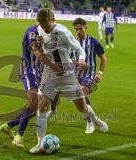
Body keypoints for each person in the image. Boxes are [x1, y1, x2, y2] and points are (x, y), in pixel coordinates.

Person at [29, 8, 104, 154]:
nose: (44, 28)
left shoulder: (63, 32)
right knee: (42, 106)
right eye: (42, 25)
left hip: (67, 73)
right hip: (49, 72)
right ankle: (39, 143)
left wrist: (82, 60)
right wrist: (41, 41)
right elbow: (43, 45)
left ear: (53, 19)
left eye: (46, 26)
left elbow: (79, 49)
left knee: (82, 107)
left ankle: (97, 120)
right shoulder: (40, 28)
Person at [0, 24, 57, 148]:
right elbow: (36, 50)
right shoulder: (32, 31)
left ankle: (8, 126)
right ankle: (19, 137)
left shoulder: (49, 33)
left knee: (38, 108)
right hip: (28, 69)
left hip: (39, 71)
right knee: (33, 103)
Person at [72, 17, 108, 134]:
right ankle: (96, 120)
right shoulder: (71, 42)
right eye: (76, 29)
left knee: (82, 94)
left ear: (85, 28)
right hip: (74, 75)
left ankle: (89, 122)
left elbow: (103, 58)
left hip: (89, 74)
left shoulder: (93, 42)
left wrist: (100, 73)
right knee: (79, 99)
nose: (78, 31)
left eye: (80, 28)